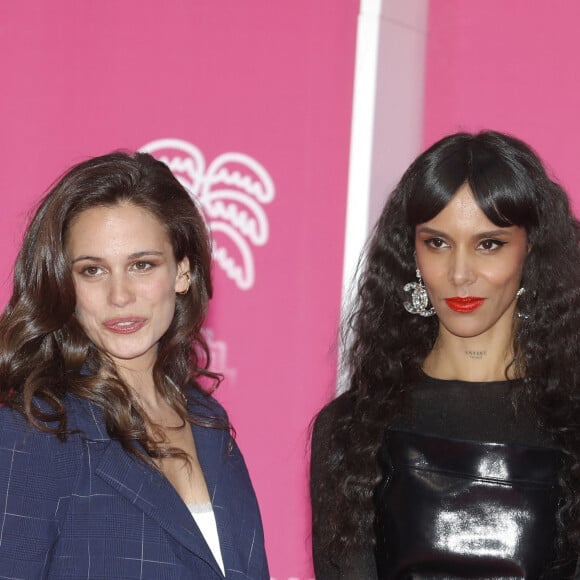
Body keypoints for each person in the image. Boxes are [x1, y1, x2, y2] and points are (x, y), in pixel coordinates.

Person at [311, 131, 580, 579]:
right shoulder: (350, 429)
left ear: (530, 249)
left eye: (488, 244)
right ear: (411, 252)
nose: (459, 274)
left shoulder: (573, 426)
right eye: (437, 243)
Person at [0, 152, 269, 579]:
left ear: (183, 271)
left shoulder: (209, 424)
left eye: (142, 265)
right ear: (64, 285)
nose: (120, 296)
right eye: (92, 271)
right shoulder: (35, 430)